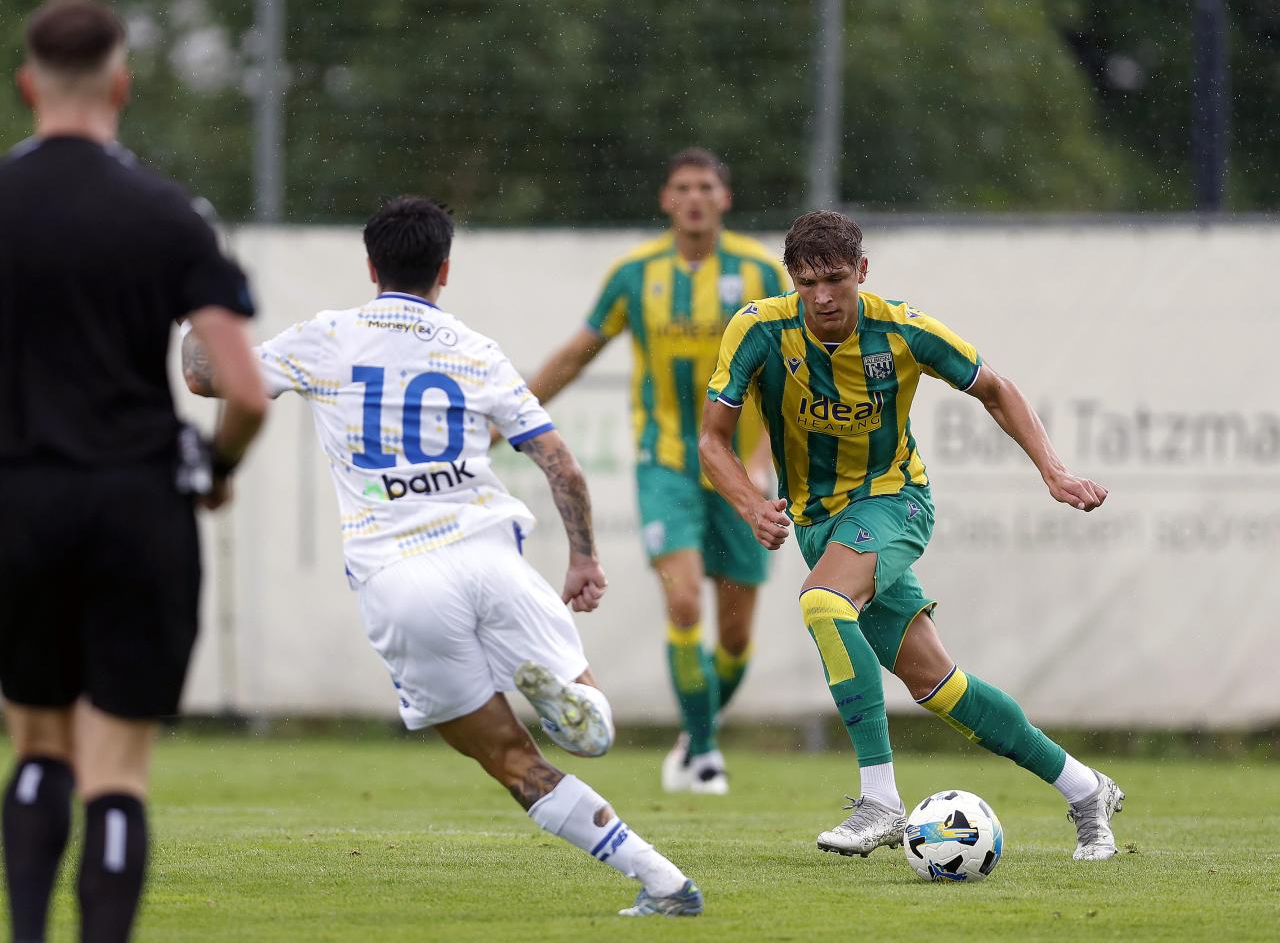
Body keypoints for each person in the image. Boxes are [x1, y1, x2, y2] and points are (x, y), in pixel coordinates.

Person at [183, 196, 703, 917]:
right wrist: (583, 557)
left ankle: (661, 880)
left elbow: (207, 376)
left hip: (400, 580)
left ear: (370, 265)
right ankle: (590, 727)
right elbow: (562, 464)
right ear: (445, 269)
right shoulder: (473, 348)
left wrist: (195, 294)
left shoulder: (329, 337)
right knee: (592, 722)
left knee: (511, 760)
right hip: (490, 557)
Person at [699, 210, 1125, 862]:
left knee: (822, 603)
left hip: (895, 503)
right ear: (791, 280)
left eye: (835, 279)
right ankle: (1086, 788)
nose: (822, 296)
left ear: (861, 273)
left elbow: (996, 388)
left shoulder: (901, 329)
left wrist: (1054, 470)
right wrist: (751, 504)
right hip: (822, 526)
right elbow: (712, 441)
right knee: (941, 688)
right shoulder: (758, 329)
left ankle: (881, 801)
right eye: (807, 281)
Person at [0, 0, 268, 943]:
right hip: (137, 505)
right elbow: (244, 388)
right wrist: (215, 469)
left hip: (20, 503)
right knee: (116, 765)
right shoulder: (167, 214)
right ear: (121, 83)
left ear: (29, 84)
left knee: (37, 743)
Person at [526, 148, 788, 795]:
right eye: (682, 188)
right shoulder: (635, 275)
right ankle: (703, 754)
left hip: (740, 471)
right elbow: (577, 353)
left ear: (724, 199)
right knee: (681, 598)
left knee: (734, 635)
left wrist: (760, 462)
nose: (694, 197)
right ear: (666, 200)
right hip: (665, 463)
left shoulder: (759, 272)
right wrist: (513, 414)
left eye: (706, 186)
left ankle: (694, 738)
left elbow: (788, 376)